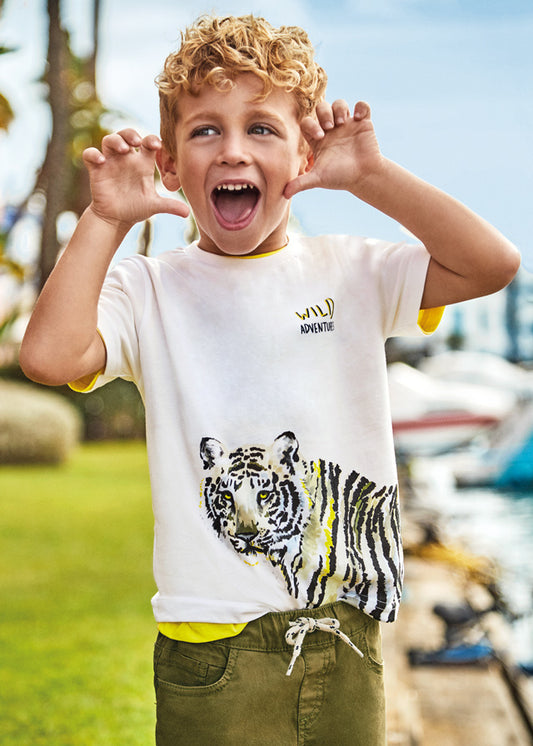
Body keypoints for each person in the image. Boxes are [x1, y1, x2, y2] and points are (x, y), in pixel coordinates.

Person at [19, 14, 520, 746]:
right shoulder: (148, 289)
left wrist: (371, 177)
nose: (232, 150)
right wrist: (104, 220)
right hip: (211, 639)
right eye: (203, 131)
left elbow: (491, 264)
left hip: (345, 630)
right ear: (169, 165)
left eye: (261, 128)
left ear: (304, 155)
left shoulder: (355, 270)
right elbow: (50, 359)